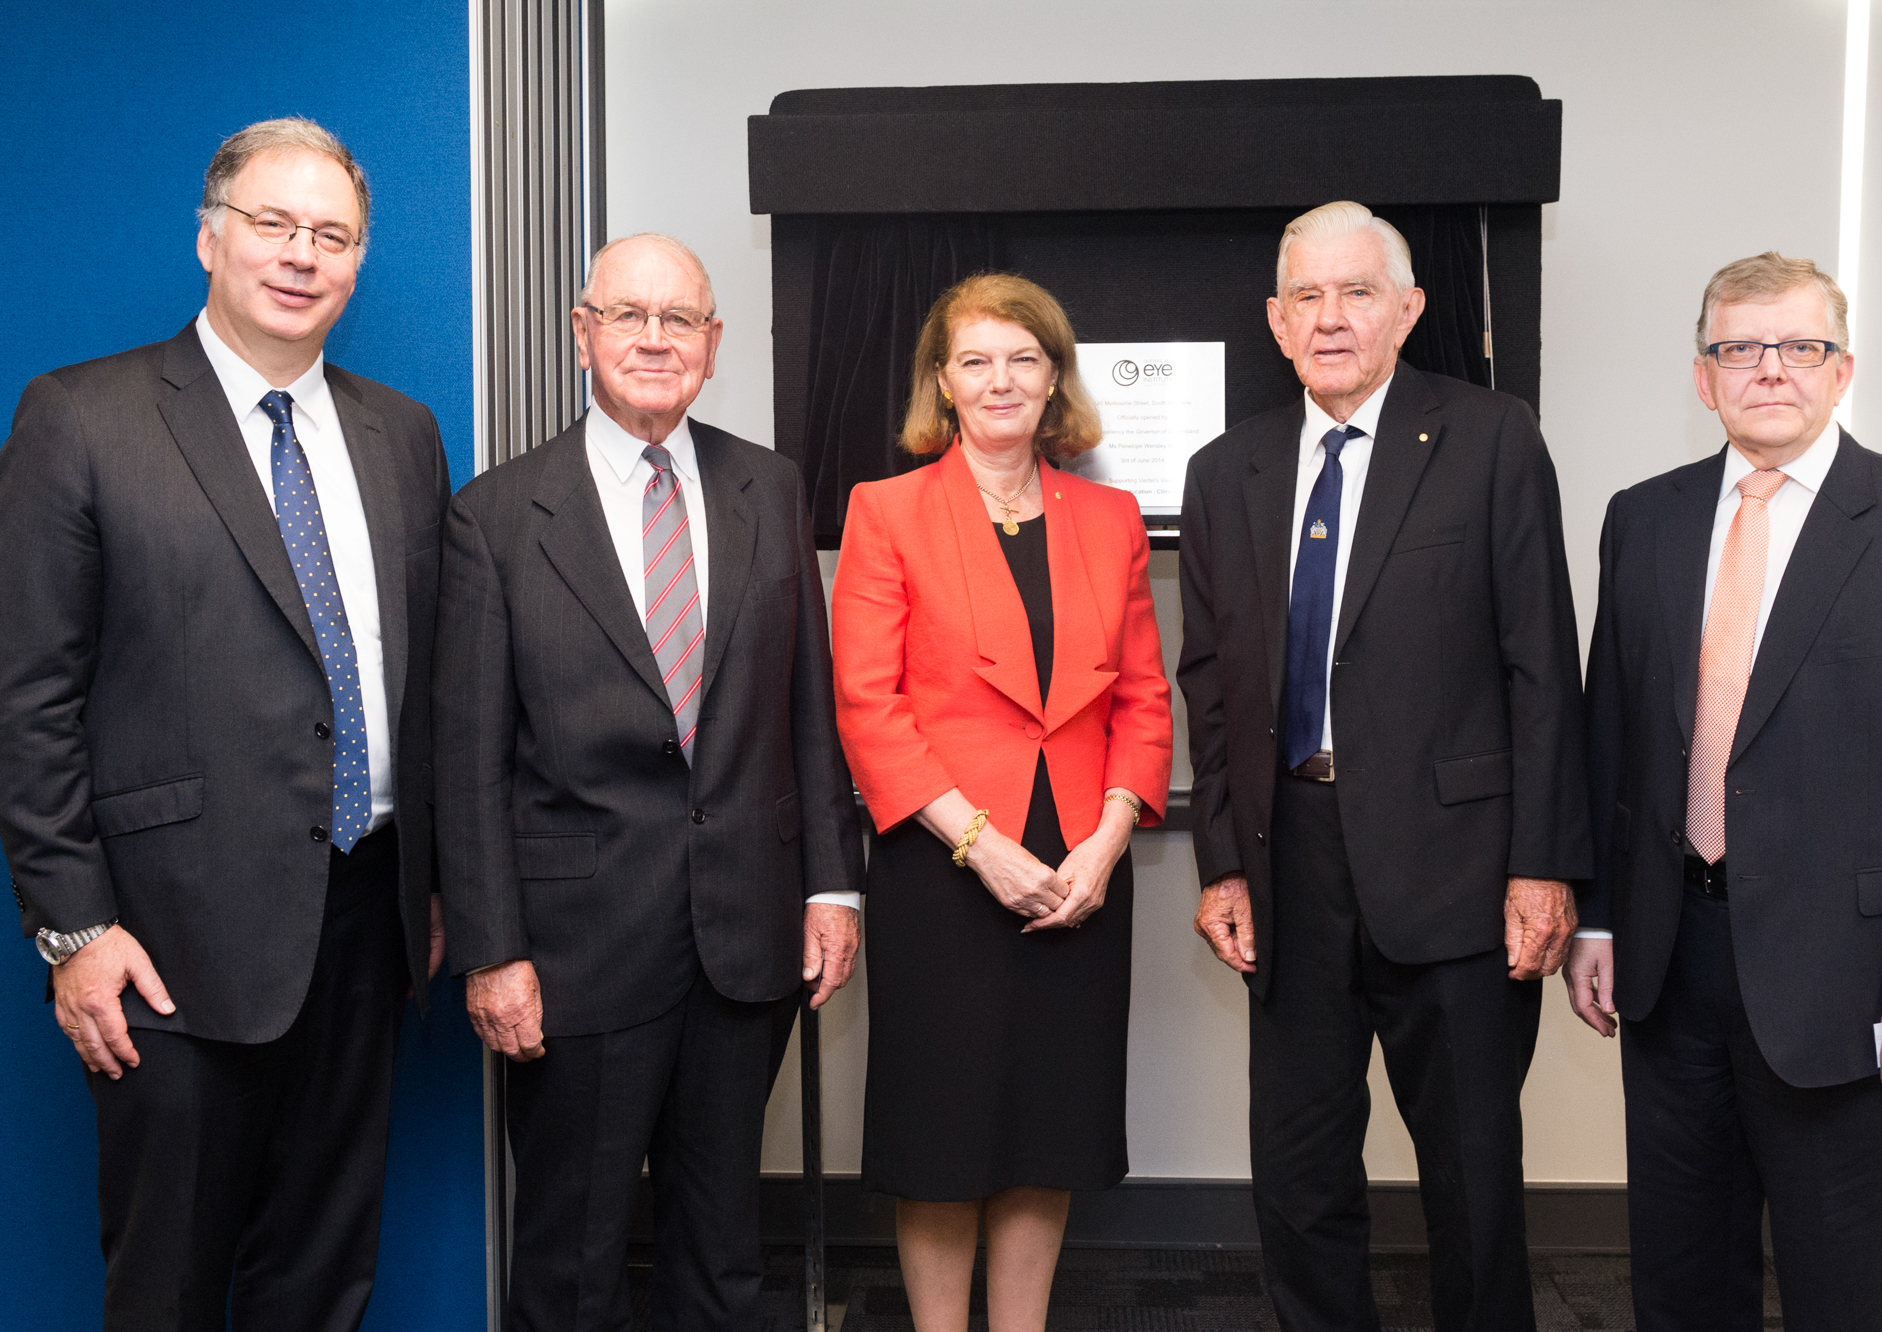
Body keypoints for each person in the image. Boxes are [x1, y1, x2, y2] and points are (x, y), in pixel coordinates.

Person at [0, 118, 450, 1331]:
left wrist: (439, 882)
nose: (301, 255)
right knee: (172, 1285)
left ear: (357, 263)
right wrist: (73, 927)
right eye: (273, 224)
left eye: (332, 234)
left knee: (324, 1273)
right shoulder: (81, 418)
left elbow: (428, 681)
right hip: (167, 935)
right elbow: (27, 696)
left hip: (367, 920)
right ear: (209, 236)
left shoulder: (402, 435)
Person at [433, 232, 864, 1330]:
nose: (654, 340)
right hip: (576, 953)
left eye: (679, 320)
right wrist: (491, 951)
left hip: (745, 939)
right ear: (583, 334)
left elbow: (805, 710)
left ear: (713, 346)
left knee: (720, 1249)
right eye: (628, 315)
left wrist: (831, 886)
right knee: (572, 1258)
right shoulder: (497, 519)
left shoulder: (769, 487)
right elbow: (469, 759)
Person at [1177, 201, 1592, 1332]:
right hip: (1288, 869)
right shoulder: (1226, 471)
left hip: (1458, 871)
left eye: (1355, 291)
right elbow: (1208, 688)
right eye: (1305, 296)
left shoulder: (1491, 435)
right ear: (1272, 320)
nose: (1329, 317)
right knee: (1298, 1178)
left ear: (1406, 310)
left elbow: (1541, 666)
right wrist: (1220, 864)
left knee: (1469, 1180)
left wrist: (1545, 865)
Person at [1565, 252, 1882, 1331]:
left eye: (1797, 346)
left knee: (1837, 1290)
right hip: (1670, 964)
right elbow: (1611, 735)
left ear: (1840, 370)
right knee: (1676, 1280)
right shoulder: (1642, 518)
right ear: (1701, 376)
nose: (1769, 369)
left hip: (1847, 984)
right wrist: (1602, 920)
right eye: (1737, 348)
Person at [831, 272, 1173, 1332]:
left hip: (1076, 868)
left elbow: (1141, 697)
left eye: (1024, 358)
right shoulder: (885, 512)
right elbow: (866, 705)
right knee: (942, 1136)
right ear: (941, 380)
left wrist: (1108, 841)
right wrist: (980, 846)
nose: (1000, 380)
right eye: (975, 360)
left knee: (1046, 1126)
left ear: (1054, 376)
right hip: (942, 862)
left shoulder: (1108, 516)